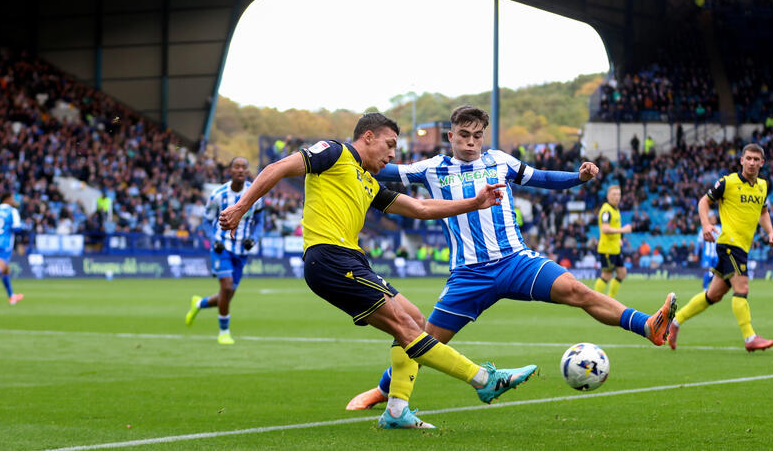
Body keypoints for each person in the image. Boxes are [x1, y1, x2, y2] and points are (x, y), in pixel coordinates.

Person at [345, 105, 676, 412]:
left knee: (577, 290)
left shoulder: (499, 161)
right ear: (451, 136)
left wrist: (579, 177)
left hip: (516, 262)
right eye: (464, 135)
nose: (471, 142)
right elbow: (382, 169)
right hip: (469, 275)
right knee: (423, 341)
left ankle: (647, 326)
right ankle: (383, 390)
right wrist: (339, 156)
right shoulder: (432, 168)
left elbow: (541, 177)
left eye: (477, 135)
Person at [219, 113, 537, 430]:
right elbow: (277, 168)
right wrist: (240, 206)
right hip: (329, 259)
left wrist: (475, 202)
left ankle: (397, 409)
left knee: (414, 320)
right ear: (368, 137)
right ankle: (483, 379)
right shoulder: (334, 153)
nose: (393, 155)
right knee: (406, 327)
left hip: (352, 261)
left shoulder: (369, 182)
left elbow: (420, 208)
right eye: (389, 144)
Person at [667, 143, 773, 352]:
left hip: (742, 247)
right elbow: (703, 202)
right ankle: (750, 338)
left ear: (762, 163)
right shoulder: (728, 182)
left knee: (713, 295)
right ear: (741, 160)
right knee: (742, 288)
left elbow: (763, 212)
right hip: (730, 244)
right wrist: (706, 225)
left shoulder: (763, 185)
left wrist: (770, 232)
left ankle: (674, 323)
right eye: (749, 158)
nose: (752, 163)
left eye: (756, 159)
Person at [186, 157, 264, 345]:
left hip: (241, 251)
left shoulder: (255, 194)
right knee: (226, 287)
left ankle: (199, 304)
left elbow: (260, 221)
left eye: (244, 167)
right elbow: (205, 221)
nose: (240, 170)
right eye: (236, 166)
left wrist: (253, 239)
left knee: (227, 295)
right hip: (222, 247)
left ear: (247, 171)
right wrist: (214, 240)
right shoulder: (218, 194)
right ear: (229, 170)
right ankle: (224, 332)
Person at [594, 185, 647, 299]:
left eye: (618, 194)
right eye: (614, 194)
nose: (617, 197)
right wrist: (623, 230)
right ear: (608, 196)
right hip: (607, 249)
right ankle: (593, 299)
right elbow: (605, 229)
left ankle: (610, 299)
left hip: (615, 248)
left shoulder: (615, 209)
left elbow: (612, 227)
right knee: (607, 276)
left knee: (622, 273)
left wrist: (618, 239)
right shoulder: (606, 211)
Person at [695, 212, 721, 290]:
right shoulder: (704, 229)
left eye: (714, 218)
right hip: (707, 254)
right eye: (711, 218)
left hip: (717, 254)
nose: (713, 219)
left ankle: (709, 285)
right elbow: (699, 243)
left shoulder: (720, 228)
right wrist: (696, 254)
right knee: (707, 270)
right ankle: (705, 289)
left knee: (716, 272)